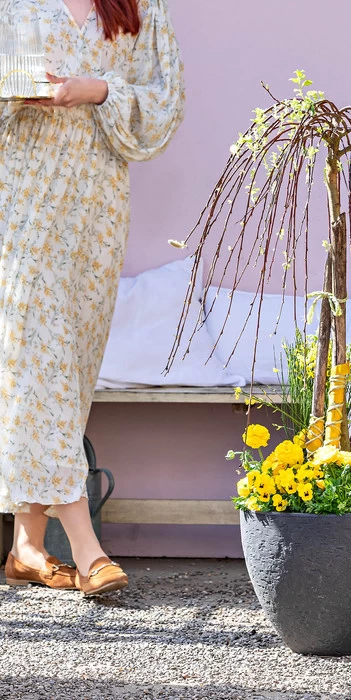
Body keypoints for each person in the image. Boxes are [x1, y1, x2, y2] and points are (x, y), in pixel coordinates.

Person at [0, 0, 185, 595]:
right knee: (39, 359)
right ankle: (86, 547)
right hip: (21, 200)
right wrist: (16, 89)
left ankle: (27, 547)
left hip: (96, 210)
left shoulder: (139, 5)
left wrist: (98, 89)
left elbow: (165, 100)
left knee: (70, 370)